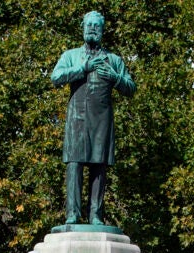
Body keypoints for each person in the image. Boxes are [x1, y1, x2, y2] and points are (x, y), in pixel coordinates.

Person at [51, 11, 136, 226]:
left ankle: (96, 215)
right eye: (88, 25)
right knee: (75, 165)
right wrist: (83, 68)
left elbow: (131, 87)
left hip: (102, 120)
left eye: (96, 26)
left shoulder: (113, 60)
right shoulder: (71, 56)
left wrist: (115, 78)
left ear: (102, 30)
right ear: (82, 28)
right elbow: (56, 77)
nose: (91, 29)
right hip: (77, 119)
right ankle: (73, 214)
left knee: (99, 166)